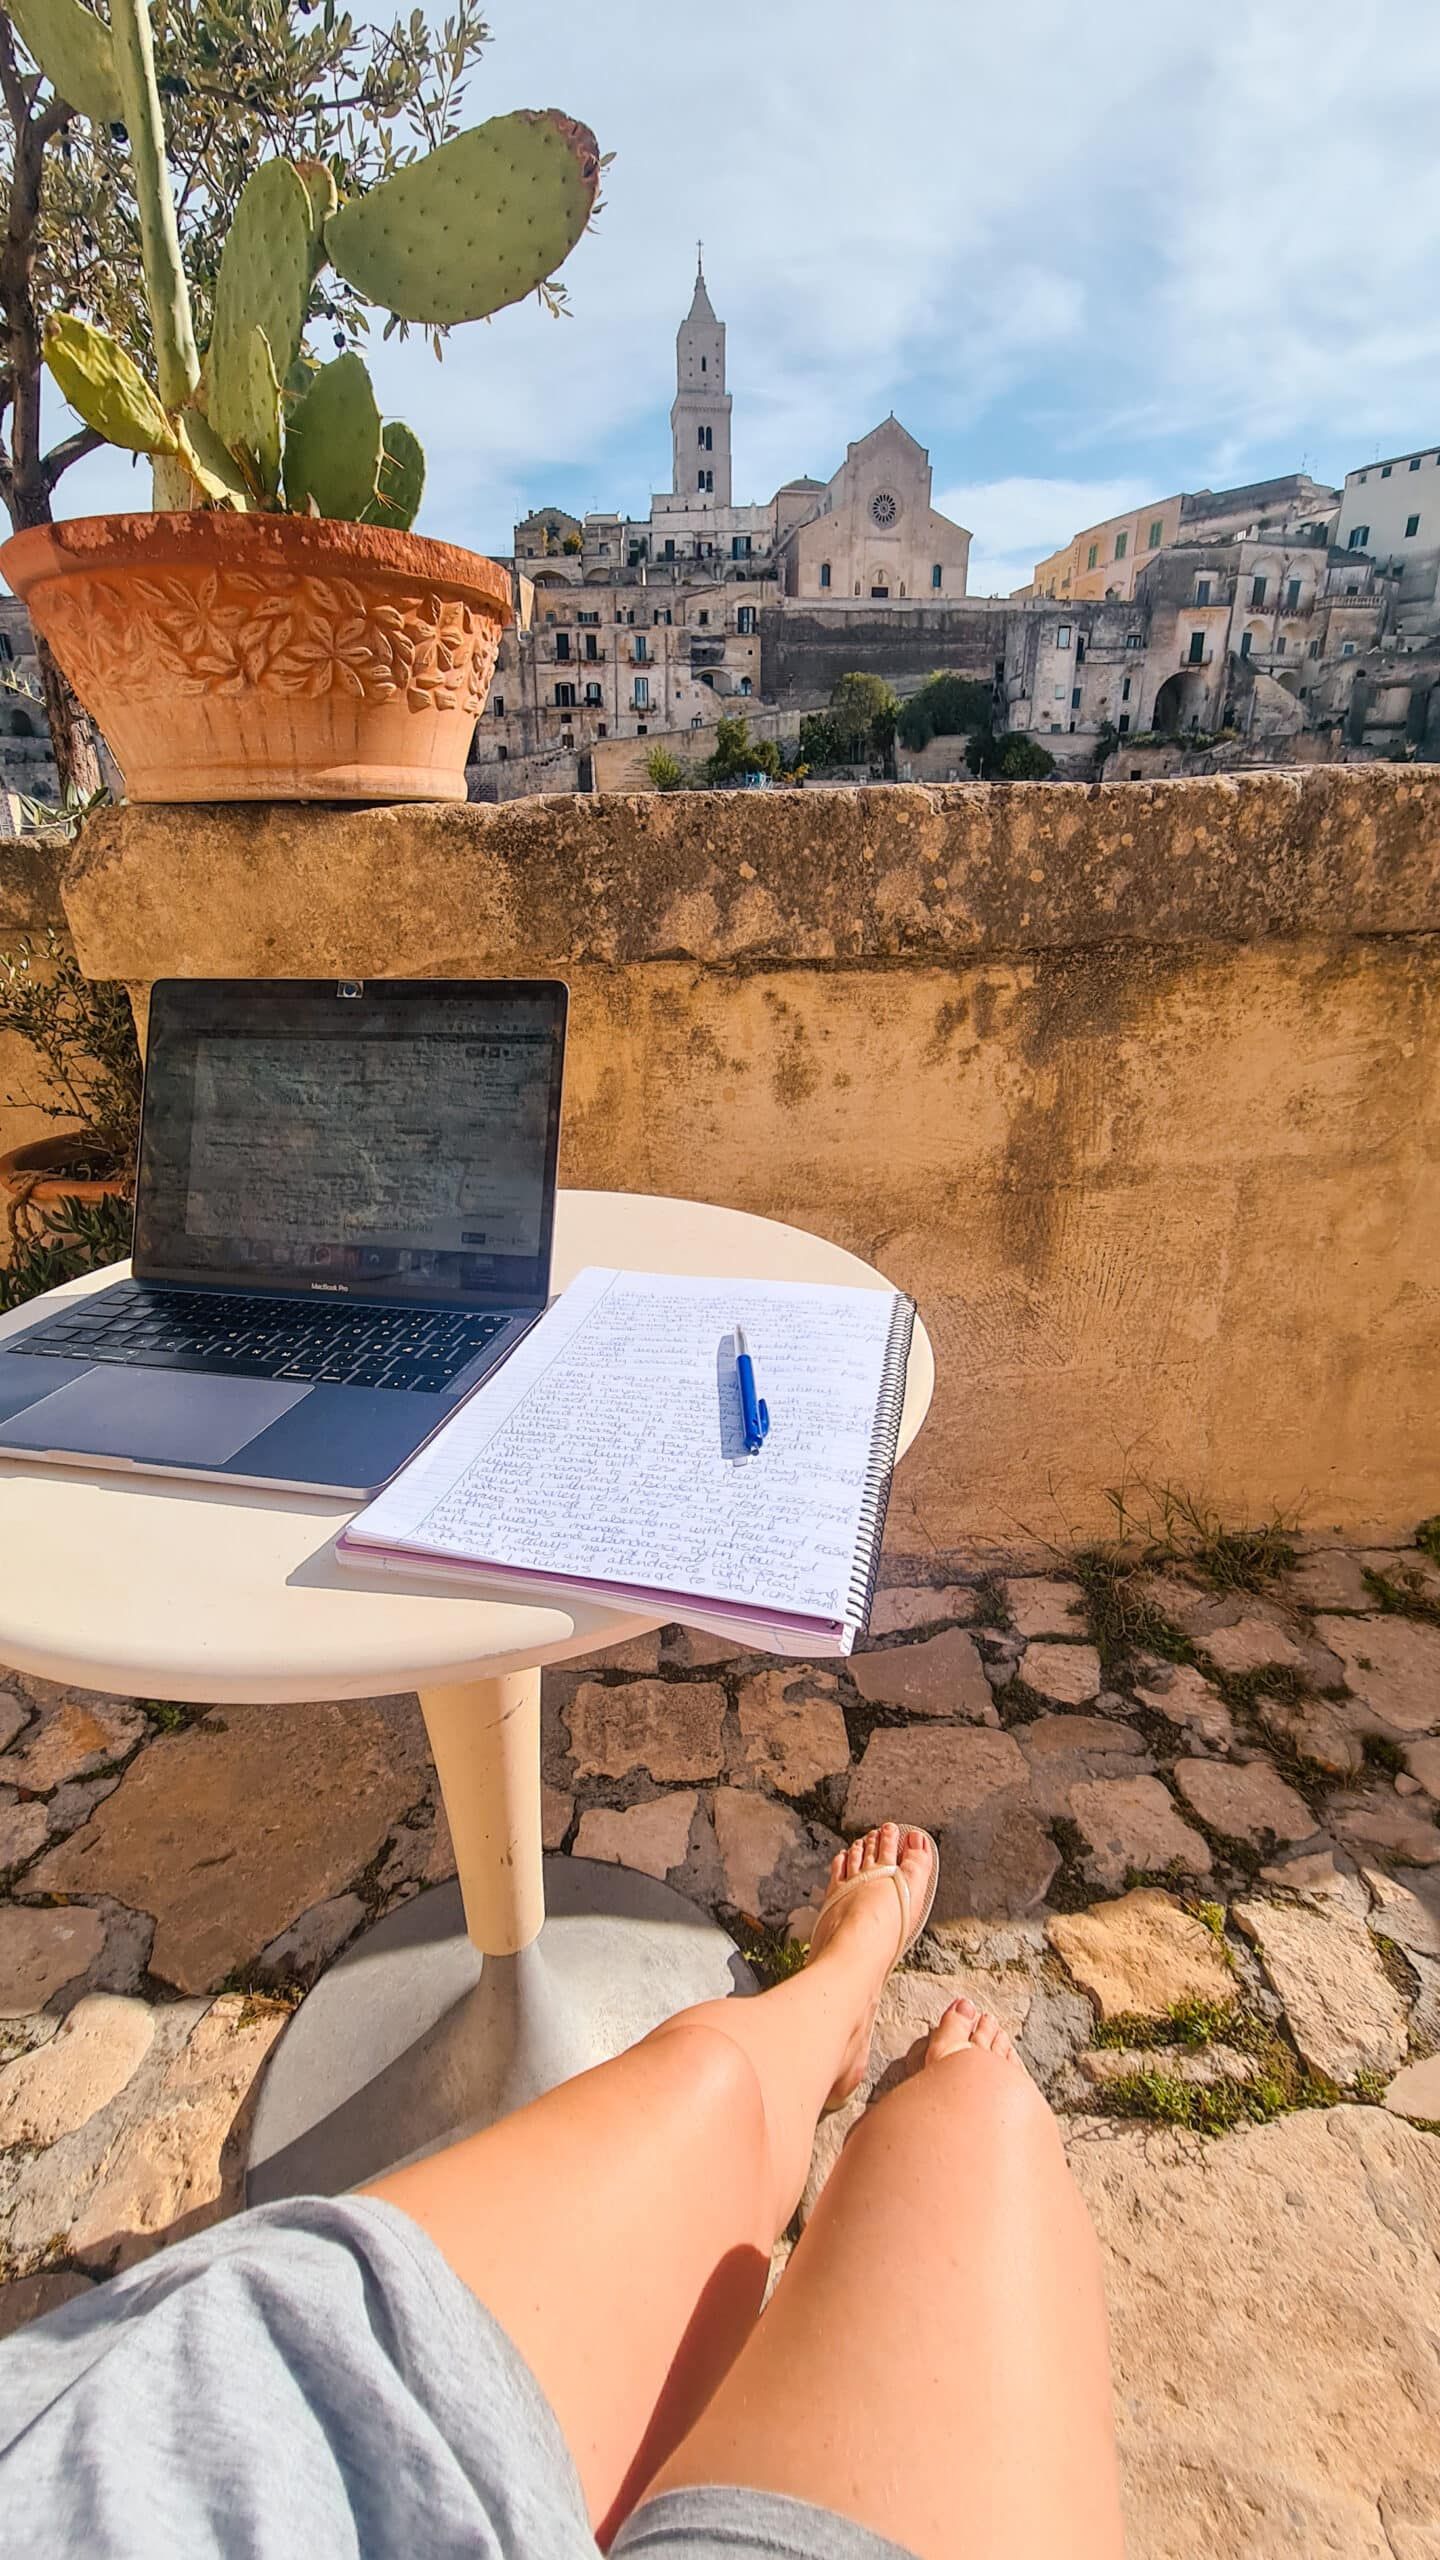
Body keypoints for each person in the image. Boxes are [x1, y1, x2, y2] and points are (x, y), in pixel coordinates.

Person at [0, 1823, 1124, 2560]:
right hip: (273, 2456)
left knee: (709, 2080)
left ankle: (836, 1998)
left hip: (209, 2447)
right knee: (971, 2127)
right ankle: (854, 2012)